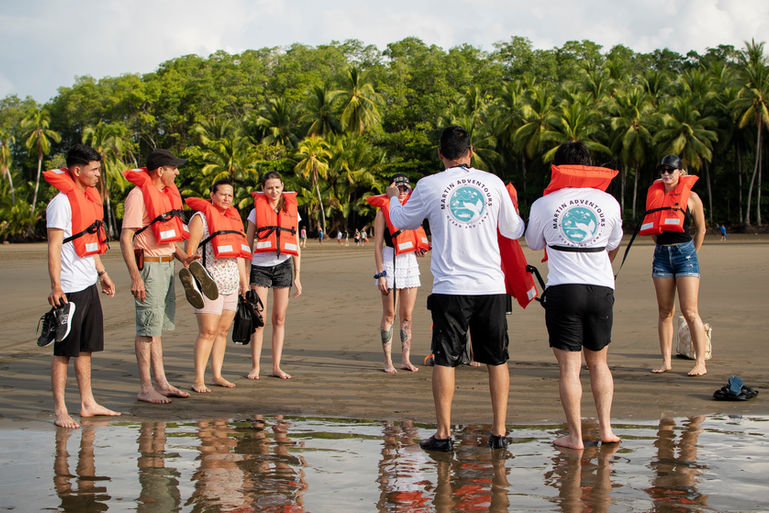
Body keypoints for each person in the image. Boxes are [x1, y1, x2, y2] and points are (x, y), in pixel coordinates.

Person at [387, 126, 525, 452]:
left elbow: (404, 221)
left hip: (451, 287)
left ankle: (444, 433)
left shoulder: (429, 185)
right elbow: (513, 228)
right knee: (497, 359)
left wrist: (394, 200)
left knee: (446, 360)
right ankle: (499, 432)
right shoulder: (492, 183)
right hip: (490, 285)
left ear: (440, 154)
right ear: (471, 151)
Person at [525, 141, 623, 449]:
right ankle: (606, 430)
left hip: (564, 289)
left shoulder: (545, 204)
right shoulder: (608, 202)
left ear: (557, 168)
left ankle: (576, 436)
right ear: (589, 165)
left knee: (569, 368)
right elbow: (613, 243)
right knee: (599, 363)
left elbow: (534, 244)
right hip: (601, 288)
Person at [43, 144, 120, 428]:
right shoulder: (61, 203)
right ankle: (60, 409)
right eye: (95, 169)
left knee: (86, 348)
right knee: (64, 350)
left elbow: (89, 243)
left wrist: (102, 273)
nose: (99, 174)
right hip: (69, 287)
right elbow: (53, 249)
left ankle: (87, 402)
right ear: (77, 171)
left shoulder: (87, 200)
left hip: (88, 282)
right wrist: (55, 286)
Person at [120, 149, 197, 404]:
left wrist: (183, 257)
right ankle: (145, 387)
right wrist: (135, 276)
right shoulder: (138, 195)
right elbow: (126, 237)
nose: (177, 172)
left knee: (157, 327)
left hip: (166, 266)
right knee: (146, 328)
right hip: (149, 268)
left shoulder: (165, 195)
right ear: (160, 170)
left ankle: (161, 382)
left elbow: (166, 236)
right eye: (173, 168)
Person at [641, 154, 708, 376]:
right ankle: (666, 361)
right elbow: (653, 229)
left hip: (685, 253)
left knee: (690, 310)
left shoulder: (692, 198)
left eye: (671, 170)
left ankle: (700, 362)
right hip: (661, 254)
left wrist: (693, 253)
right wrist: (662, 247)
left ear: (681, 172)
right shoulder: (655, 196)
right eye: (663, 170)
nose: (666, 174)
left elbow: (701, 229)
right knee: (664, 311)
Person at [184, 178, 250, 393]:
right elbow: (190, 250)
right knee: (208, 331)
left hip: (231, 282)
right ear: (212, 195)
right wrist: (193, 277)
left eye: (230, 195)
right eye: (222, 194)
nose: (227, 199)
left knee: (222, 331)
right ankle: (198, 379)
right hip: (209, 282)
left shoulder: (233, 220)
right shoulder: (200, 218)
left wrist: (244, 283)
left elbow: (239, 255)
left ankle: (217, 375)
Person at [368, 174, 429, 374]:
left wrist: (418, 249)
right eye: (399, 188)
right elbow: (377, 246)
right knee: (389, 314)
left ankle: (405, 359)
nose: (402, 192)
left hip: (409, 262)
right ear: (391, 189)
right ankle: (388, 361)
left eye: (406, 189)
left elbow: (414, 237)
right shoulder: (382, 213)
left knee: (407, 315)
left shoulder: (413, 210)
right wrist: (381, 273)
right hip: (390, 260)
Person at [245, 171, 302, 380]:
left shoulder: (292, 211)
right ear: (263, 189)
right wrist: (245, 275)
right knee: (258, 319)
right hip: (260, 267)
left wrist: (297, 276)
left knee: (279, 318)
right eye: (269, 187)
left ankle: (276, 366)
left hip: (284, 266)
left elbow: (295, 244)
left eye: (277, 187)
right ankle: (255, 366)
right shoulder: (255, 212)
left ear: (282, 186)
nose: (274, 191)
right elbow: (248, 244)